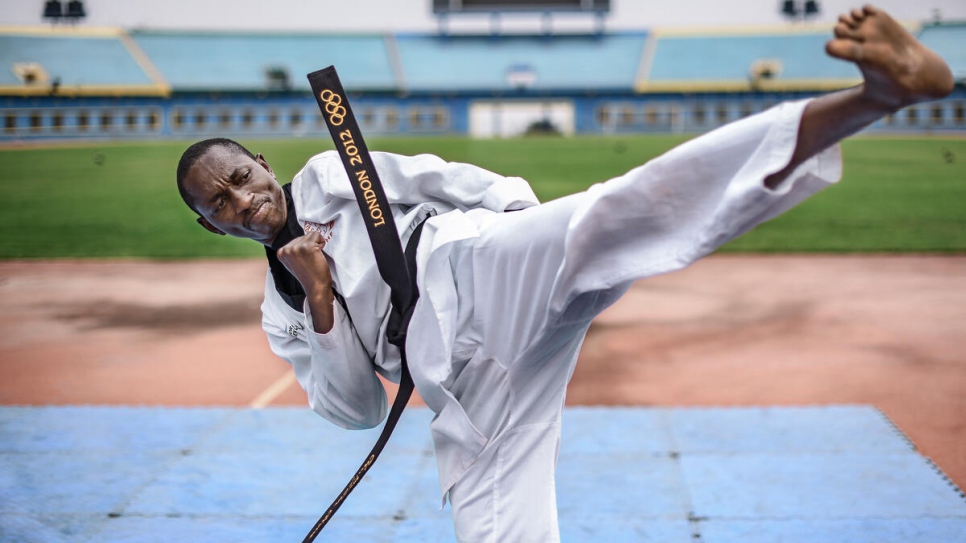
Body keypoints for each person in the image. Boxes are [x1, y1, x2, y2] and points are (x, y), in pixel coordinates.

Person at [176, 6, 953, 542]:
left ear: (261, 162)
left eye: (242, 177)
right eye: (222, 203)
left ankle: (874, 96)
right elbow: (353, 412)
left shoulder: (331, 172)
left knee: (611, 219)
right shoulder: (280, 313)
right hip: (459, 386)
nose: (243, 200)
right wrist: (317, 296)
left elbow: (450, 179)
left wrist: (524, 228)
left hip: (467, 267)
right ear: (209, 224)